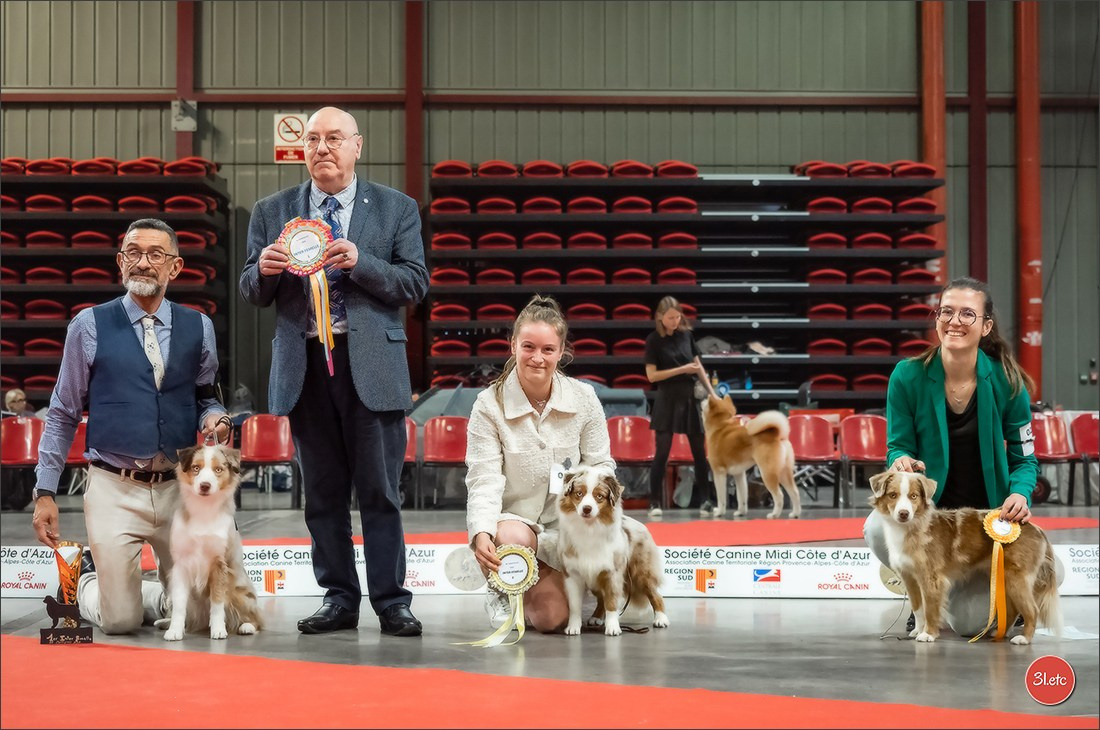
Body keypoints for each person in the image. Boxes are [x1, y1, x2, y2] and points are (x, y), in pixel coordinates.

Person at [240, 106, 429, 637]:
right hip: (304, 366)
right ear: (302, 149)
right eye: (312, 139)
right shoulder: (271, 210)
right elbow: (251, 289)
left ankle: (392, 601)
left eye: (334, 138)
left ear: (357, 146)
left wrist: (360, 262)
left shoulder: (397, 208)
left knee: (380, 492)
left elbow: (415, 283)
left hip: (371, 365)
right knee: (321, 494)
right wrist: (264, 271)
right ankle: (339, 597)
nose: (322, 148)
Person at [30, 218, 229, 634]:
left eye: (155, 254)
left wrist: (216, 419)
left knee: (198, 617)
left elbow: (205, 398)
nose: (143, 263)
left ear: (175, 267)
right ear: (120, 262)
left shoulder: (200, 326)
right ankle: (87, 585)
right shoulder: (88, 325)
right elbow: (63, 412)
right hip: (113, 487)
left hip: (177, 488)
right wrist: (45, 491)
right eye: (133, 253)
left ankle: (149, 597)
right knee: (120, 620)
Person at [864, 276, 1050, 636]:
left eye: (967, 314)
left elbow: (1025, 459)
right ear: (936, 319)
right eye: (946, 312)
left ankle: (1014, 580)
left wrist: (1020, 494)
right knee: (874, 527)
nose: (955, 321)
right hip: (930, 518)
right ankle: (922, 598)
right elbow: (897, 445)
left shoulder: (1008, 380)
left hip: (982, 525)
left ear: (986, 326)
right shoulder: (907, 375)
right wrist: (901, 459)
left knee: (969, 626)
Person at [466, 295, 616, 632]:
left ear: (561, 352)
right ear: (513, 345)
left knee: (554, 620)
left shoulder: (584, 398)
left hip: (571, 527)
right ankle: (504, 588)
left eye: (548, 349)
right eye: (528, 347)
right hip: (514, 527)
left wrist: (596, 514)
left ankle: (569, 585)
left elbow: (601, 465)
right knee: (512, 536)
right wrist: (481, 532)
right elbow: (483, 479)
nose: (537, 358)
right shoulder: (487, 405)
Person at [644, 296, 717, 517]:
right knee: (662, 453)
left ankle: (706, 500)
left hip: (689, 398)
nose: (675, 321)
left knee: (699, 453)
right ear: (660, 317)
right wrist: (681, 369)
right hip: (667, 398)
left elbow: (698, 367)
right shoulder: (653, 340)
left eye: (677, 317)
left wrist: (713, 393)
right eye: (670, 318)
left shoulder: (687, 336)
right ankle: (654, 502)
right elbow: (652, 376)